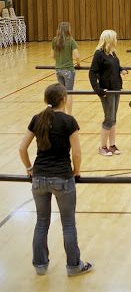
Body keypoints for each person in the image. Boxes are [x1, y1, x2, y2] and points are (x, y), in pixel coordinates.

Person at [19, 83, 93, 277]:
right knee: (68, 223)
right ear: (63, 98)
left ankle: (40, 266)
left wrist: (29, 169)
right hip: (62, 178)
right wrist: (76, 172)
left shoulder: (38, 119)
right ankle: (74, 266)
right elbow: (76, 152)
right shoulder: (69, 121)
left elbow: (22, 149)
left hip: (39, 179)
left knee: (41, 222)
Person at [89, 30, 128, 156]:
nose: (117, 40)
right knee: (108, 119)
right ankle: (102, 147)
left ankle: (112, 145)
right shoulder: (99, 54)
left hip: (116, 89)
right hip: (107, 91)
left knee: (113, 118)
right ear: (109, 39)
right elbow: (92, 73)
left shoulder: (112, 53)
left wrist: (121, 70)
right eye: (115, 38)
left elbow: (115, 66)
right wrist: (98, 90)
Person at [51, 22, 81, 114]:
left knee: (62, 93)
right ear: (68, 30)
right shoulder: (71, 41)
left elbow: (52, 56)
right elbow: (77, 56)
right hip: (68, 70)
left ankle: (61, 113)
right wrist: (78, 64)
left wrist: (60, 60)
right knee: (69, 93)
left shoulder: (54, 40)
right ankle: (69, 115)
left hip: (58, 70)